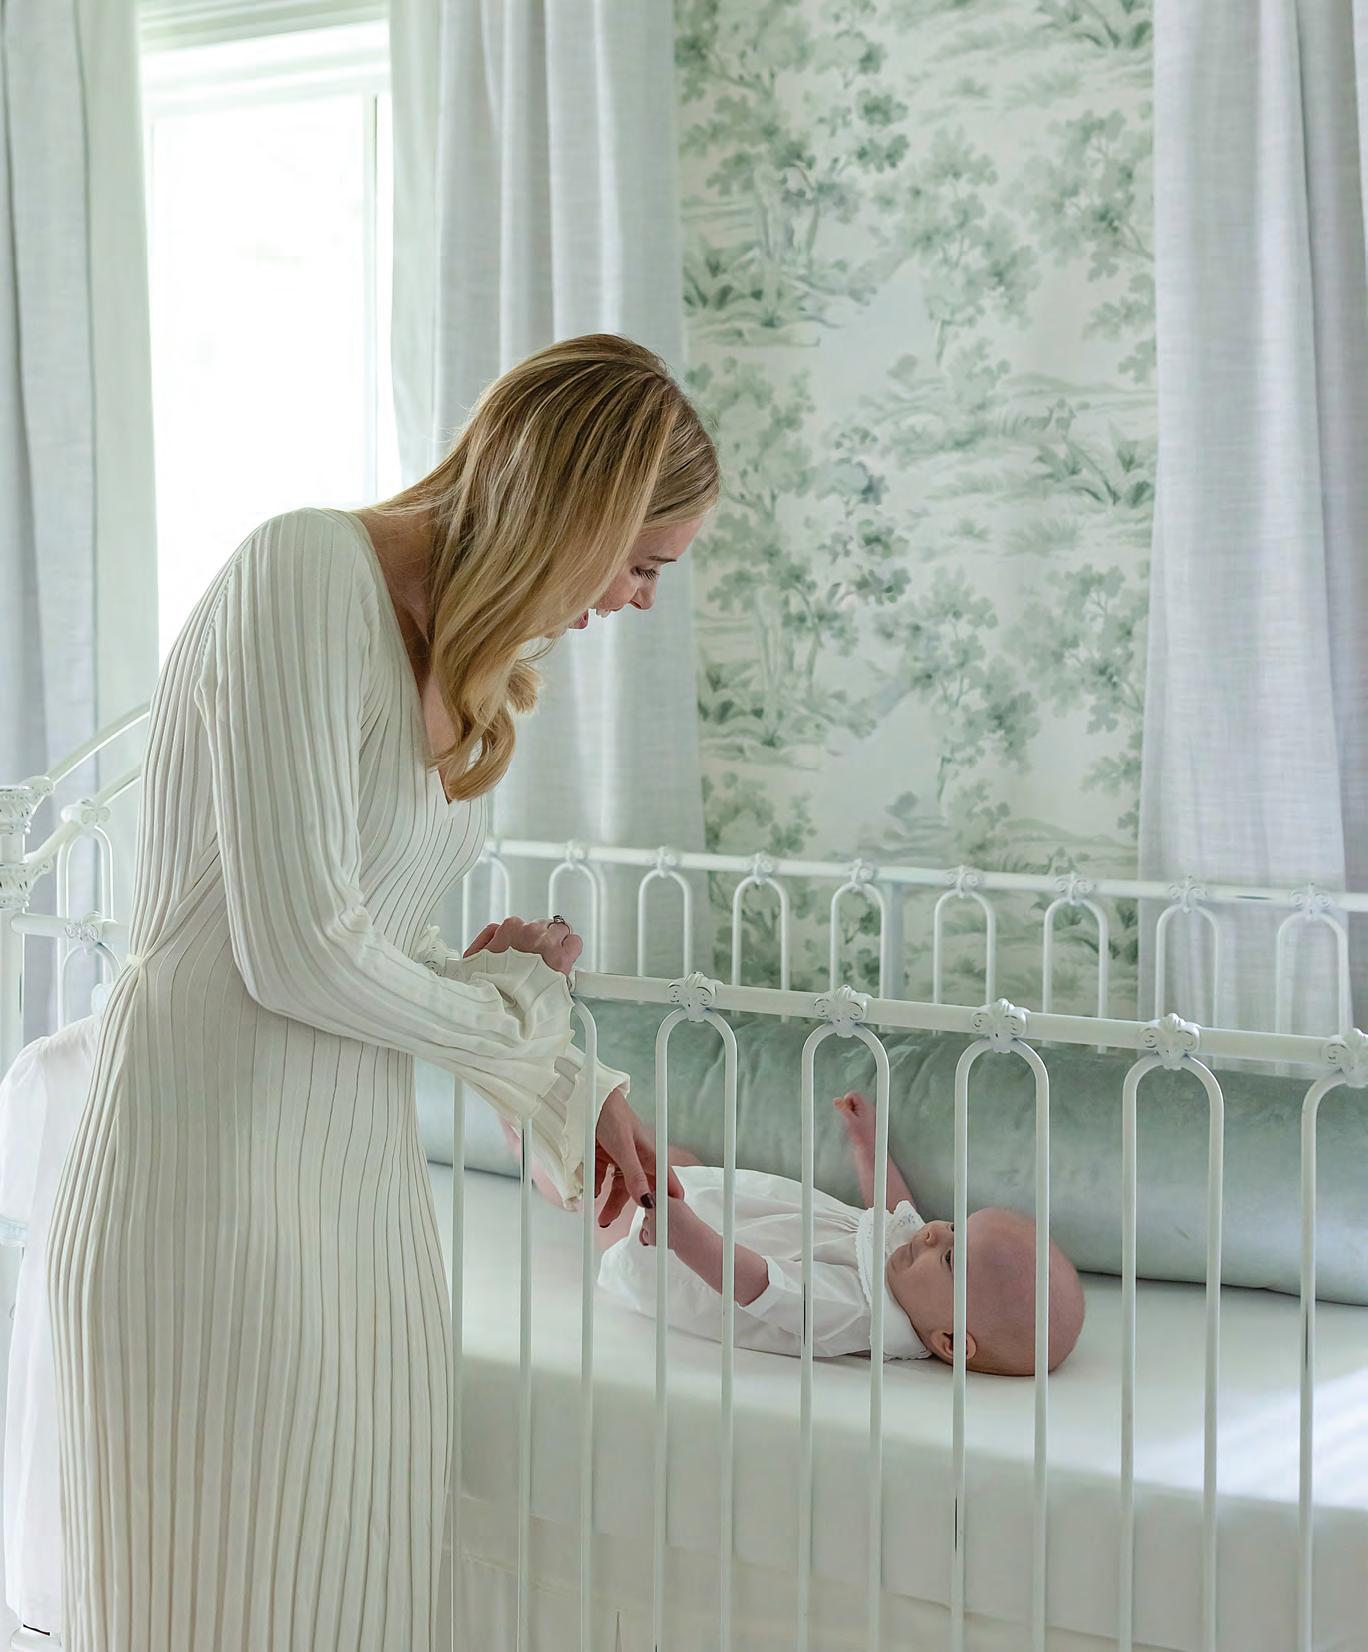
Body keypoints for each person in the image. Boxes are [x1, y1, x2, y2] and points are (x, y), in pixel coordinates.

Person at [43, 333, 719, 1652]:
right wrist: (533, 1047)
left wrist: (542, 1041)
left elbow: (356, 953)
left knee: (352, 1599)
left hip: (355, 1201)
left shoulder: (461, 660)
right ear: (580, 507)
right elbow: (296, 953)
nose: (642, 599)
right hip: (204, 1191)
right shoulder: (304, 571)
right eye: (645, 561)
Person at [598, 1091, 1087, 1375]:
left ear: (952, 1342)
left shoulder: (857, 1312)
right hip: (723, 1207)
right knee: (674, 1161)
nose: (934, 1234)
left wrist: (682, 1235)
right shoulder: (915, 1276)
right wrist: (868, 1148)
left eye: (951, 1258)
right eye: (956, 1225)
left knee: (603, 1197)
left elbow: (755, 1283)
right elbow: (893, 1212)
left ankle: (558, 1174)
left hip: (680, 1256)